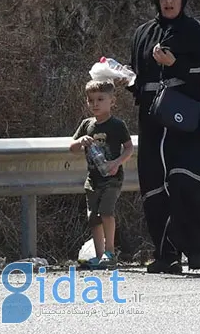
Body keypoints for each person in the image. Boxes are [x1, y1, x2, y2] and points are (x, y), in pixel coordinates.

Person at [128, 0, 200, 274]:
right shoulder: (143, 32)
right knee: (153, 186)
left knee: (184, 180)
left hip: (184, 117)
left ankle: (194, 249)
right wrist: (123, 79)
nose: (168, 1)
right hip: (152, 118)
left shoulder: (194, 31)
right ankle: (166, 254)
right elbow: (137, 73)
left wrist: (174, 63)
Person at [70, 80, 133, 269]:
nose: (95, 104)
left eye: (100, 99)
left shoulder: (117, 125)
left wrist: (117, 163)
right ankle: (99, 257)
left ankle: (110, 252)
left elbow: (129, 148)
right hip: (93, 179)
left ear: (112, 101)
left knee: (106, 212)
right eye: (91, 100)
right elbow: (72, 148)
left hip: (112, 178)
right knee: (93, 217)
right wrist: (81, 141)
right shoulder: (86, 125)